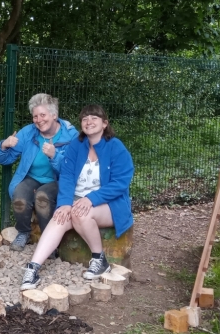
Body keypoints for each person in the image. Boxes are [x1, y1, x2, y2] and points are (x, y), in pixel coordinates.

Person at [20, 104, 134, 291]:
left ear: (104, 123)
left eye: (94, 118)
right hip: (77, 201)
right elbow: (66, 176)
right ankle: (32, 269)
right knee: (60, 216)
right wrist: (64, 203)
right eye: (84, 118)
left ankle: (99, 260)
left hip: (110, 204)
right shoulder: (77, 145)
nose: (89, 121)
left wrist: (91, 199)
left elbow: (121, 183)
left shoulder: (116, 147)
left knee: (80, 213)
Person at [0, 93, 79, 252]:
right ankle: (24, 231)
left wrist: (55, 156)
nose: (39, 120)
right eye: (35, 116)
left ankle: (50, 241)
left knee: (42, 196)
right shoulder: (28, 132)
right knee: (19, 194)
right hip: (33, 178)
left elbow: (73, 170)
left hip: (59, 180)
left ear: (54, 115)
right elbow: (5, 159)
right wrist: (4, 145)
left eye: (43, 115)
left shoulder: (71, 135)